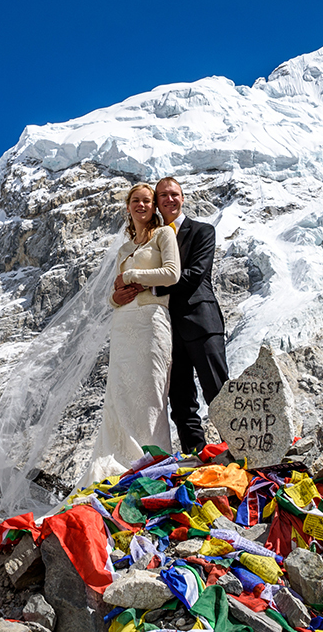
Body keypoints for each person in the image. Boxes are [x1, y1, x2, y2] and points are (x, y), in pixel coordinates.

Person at [83, 183, 182, 482]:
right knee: (121, 394)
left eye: (147, 201)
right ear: (128, 207)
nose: (141, 205)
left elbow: (172, 273)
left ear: (154, 206)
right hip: (123, 324)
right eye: (135, 201)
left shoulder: (164, 234)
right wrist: (115, 298)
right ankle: (120, 462)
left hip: (151, 319)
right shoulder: (124, 249)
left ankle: (153, 462)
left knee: (151, 392)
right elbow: (114, 292)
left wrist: (133, 275)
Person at [124, 176, 228, 455]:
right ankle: (196, 454)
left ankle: (239, 447)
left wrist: (150, 285)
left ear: (182, 198)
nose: (169, 199)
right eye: (163, 195)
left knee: (218, 390)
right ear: (157, 203)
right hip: (167, 329)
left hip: (201, 322)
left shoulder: (203, 231)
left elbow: (195, 274)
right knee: (181, 400)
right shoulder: (153, 238)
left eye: (174, 194)